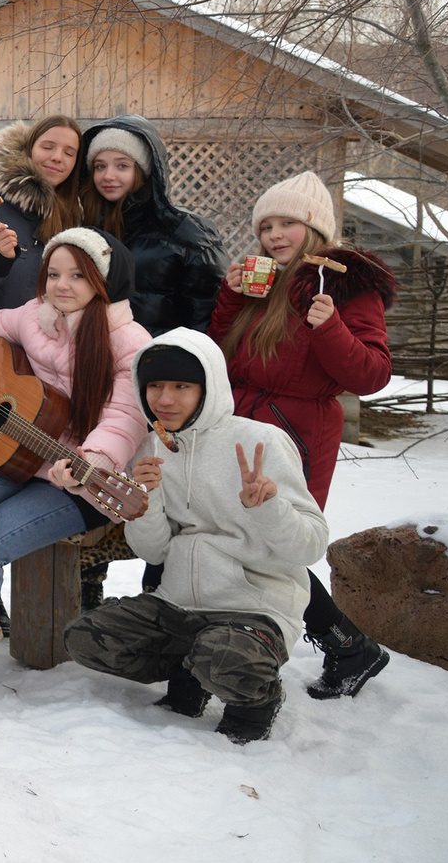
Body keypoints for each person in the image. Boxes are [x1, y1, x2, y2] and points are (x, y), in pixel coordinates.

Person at [0, 227, 147, 700]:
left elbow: (125, 416)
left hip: (83, 483)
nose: (61, 285)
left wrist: (88, 461)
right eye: (53, 273)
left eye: (77, 275)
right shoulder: (35, 318)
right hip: (20, 459)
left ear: (102, 279)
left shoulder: (127, 339)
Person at [64, 331, 328, 745]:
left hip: (252, 609)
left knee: (223, 658)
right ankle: (192, 669)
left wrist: (269, 509)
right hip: (179, 604)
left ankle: (256, 700)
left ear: (208, 388)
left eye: (181, 386)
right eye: (155, 386)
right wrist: (146, 501)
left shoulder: (262, 442)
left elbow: (312, 545)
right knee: (87, 638)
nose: (164, 399)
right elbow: (153, 550)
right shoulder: (152, 446)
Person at [209, 171, 397, 700]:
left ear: (313, 226)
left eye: (286, 222)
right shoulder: (263, 279)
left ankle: (346, 646)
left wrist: (330, 326)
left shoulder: (344, 282)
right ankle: (340, 646)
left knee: (276, 542)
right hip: (241, 426)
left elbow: (371, 375)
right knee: (232, 535)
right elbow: (215, 355)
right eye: (266, 225)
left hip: (297, 433)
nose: (273, 234)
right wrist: (228, 297)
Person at [78, 117, 226, 353]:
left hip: (159, 365)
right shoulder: (86, 228)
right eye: (100, 166)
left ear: (144, 171)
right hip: (98, 361)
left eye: (122, 165)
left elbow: (205, 318)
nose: (108, 175)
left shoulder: (188, 234)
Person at [0, 115, 90, 315]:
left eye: (69, 153)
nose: (57, 157)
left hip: (48, 341)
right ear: (28, 150)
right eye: (47, 147)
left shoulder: (76, 220)